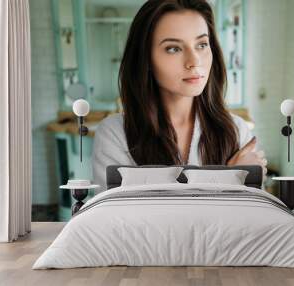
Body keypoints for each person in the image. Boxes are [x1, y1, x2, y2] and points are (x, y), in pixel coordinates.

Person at [92, 0, 267, 192]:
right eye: (174, 48)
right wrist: (231, 179)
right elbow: (118, 217)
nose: (194, 61)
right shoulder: (115, 135)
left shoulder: (236, 131)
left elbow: (248, 217)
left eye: (201, 45)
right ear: (145, 58)